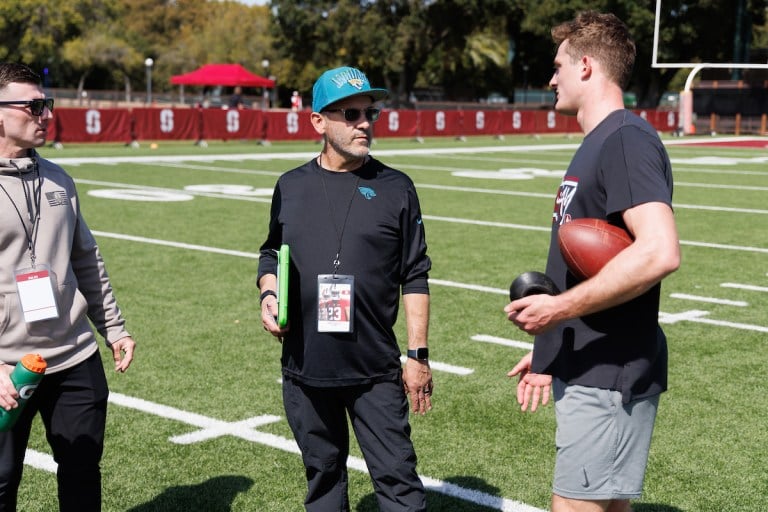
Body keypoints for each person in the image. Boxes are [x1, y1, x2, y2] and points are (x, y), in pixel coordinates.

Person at [504, 12, 680, 512]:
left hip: (609, 373)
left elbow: (659, 250)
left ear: (585, 66)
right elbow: (591, 264)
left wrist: (556, 312)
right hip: (590, 364)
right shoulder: (600, 141)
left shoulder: (624, 138)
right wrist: (553, 350)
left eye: (557, 65)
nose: (550, 78)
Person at [257, 66, 433, 512]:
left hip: (375, 370)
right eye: (350, 114)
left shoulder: (396, 187)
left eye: (369, 113)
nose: (364, 123)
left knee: (399, 485)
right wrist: (268, 295)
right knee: (324, 481)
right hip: (305, 368)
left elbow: (415, 273)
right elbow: (269, 254)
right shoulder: (290, 186)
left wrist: (417, 356)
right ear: (318, 121)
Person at [0, 62, 136, 511]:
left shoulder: (59, 178)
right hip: (6, 367)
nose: (45, 114)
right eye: (33, 105)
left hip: (74, 356)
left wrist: (113, 329)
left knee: (81, 474)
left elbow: (86, 258)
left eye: (48, 104)